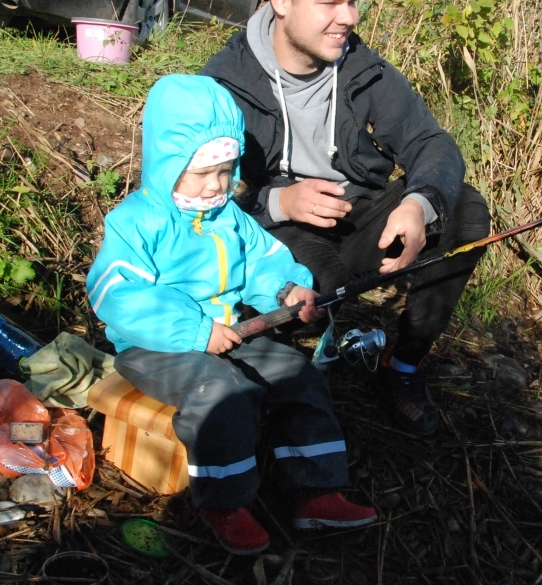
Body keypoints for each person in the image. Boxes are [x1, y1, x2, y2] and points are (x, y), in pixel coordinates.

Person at [200, 0, 491, 436]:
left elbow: (431, 142)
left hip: (357, 214)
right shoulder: (225, 82)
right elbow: (200, 193)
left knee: (465, 211)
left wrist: (420, 205)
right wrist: (279, 200)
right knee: (317, 292)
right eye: (330, 3)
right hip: (275, 230)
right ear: (281, 1)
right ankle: (293, 364)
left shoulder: (359, 64)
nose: (349, 17)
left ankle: (403, 366)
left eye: (352, 1)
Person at [86, 74, 376, 555]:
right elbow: (117, 294)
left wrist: (285, 288)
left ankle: (317, 491)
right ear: (167, 163)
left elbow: (261, 260)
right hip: (152, 346)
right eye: (202, 174)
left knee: (298, 375)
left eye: (225, 171)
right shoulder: (136, 222)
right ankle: (224, 501)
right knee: (221, 391)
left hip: (232, 329)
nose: (216, 185)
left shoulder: (229, 215)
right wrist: (197, 331)